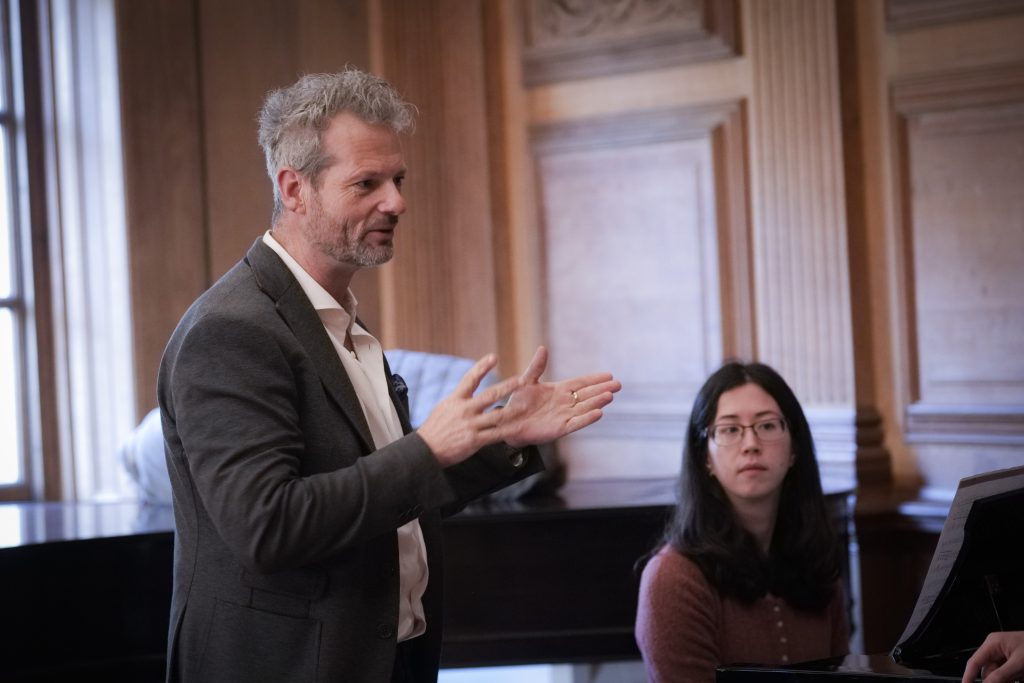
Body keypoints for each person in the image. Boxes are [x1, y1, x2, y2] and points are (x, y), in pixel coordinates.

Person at [157, 68, 620, 683]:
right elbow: (268, 527)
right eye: (367, 183)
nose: (396, 201)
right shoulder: (232, 331)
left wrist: (503, 437)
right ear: (294, 188)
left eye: (398, 179)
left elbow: (394, 496)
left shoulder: (339, 321)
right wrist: (428, 447)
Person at [635, 361, 849, 683]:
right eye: (730, 430)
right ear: (705, 456)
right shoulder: (673, 579)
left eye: (767, 426)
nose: (750, 444)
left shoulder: (817, 560)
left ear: (794, 450)